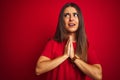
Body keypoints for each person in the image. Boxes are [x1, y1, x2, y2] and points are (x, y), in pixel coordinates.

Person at [35, 2, 102, 80]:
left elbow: (98, 75)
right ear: (62, 21)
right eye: (67, 15)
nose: (71, 18)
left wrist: (74, 58)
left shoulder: (86, 45)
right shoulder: (53, 43)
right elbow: (38, 70)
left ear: (80, 20)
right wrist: (65, 56)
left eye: (75, 15)